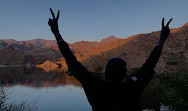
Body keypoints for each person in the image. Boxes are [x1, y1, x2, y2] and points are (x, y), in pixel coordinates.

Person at [48, 8, 172, 111]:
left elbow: (72, 62)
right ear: (124, 73)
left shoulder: (94, 86)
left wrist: (56, 32)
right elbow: (149, 65)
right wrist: (162, 39)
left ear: (106, 73)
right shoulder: (132, 88)